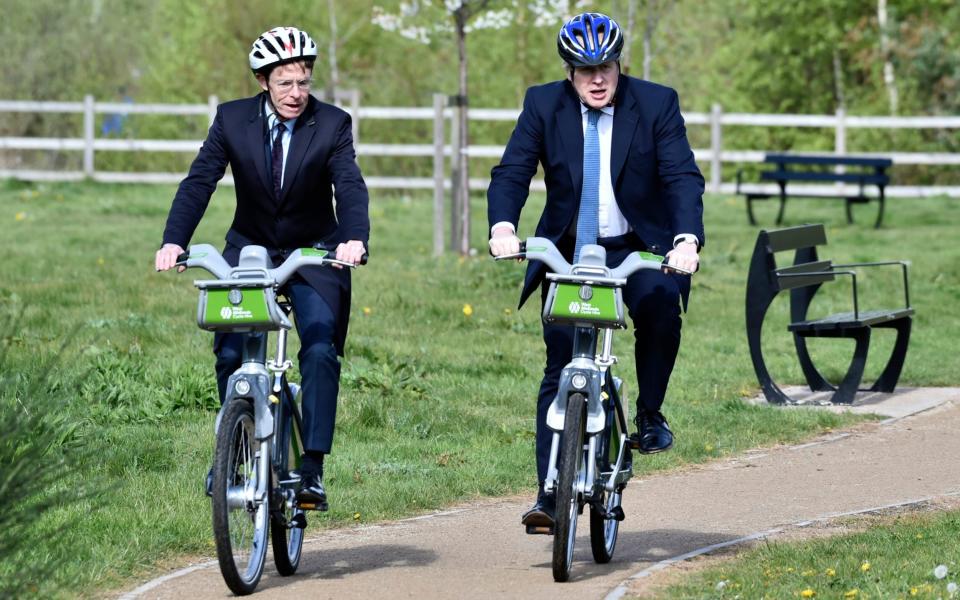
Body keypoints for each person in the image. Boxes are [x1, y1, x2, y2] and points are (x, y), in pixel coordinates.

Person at [487, 12, 704, 530]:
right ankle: (548, 492)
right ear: (569, 73)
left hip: (638, 243)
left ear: (618, 63)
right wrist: (502, 227)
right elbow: (514, 169)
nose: (598, 79)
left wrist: (686, 240)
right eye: (585, 71)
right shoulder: (543, 104)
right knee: (558, 359)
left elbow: (680, 176)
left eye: (605, 66)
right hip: (569, 247)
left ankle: (649, 414)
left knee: (659, 309)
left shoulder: (655, 103)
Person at [155, 26, 370, 510]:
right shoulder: (232, 120)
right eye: (285, 83)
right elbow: (200, 181)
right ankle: (233, 445)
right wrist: (174, 240)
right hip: (249, 248)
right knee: (230, 352)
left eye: (305, 82)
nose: (297, 94)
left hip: (316, 252)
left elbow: (349, 185)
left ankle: (311, 468)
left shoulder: (333, 124)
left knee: (318, 346)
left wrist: (354, 238)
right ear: (263, 81)